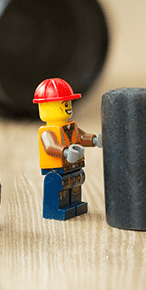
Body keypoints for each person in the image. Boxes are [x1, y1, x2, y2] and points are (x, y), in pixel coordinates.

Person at [34, 78, 101, 220]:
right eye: (64, 103)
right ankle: (55, 209)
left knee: (76, 182)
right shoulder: (47, 132)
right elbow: (50, 147)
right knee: (58, 184)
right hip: (56, 169)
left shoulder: (71, 126)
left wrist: (95, 140)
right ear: (45, 107)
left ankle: (74, 205)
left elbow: (81, 137)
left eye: (68, 103)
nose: (68, 106)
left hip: (73, 166)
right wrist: (65, 152)